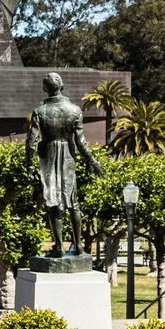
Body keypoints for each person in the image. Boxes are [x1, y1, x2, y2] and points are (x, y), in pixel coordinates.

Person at [25, 73, 103, 258]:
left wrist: (29, 165)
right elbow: (81, 142)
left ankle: (59, 247)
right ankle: (78, 245)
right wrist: (92, 161)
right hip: (68, 157)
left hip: (48, 158)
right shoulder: (74, 111)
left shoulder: (39, 112)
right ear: (62, 86)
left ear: (45, 88)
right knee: (73, 203)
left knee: (54, 204)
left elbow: (31, 142)